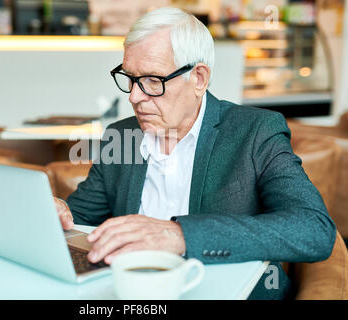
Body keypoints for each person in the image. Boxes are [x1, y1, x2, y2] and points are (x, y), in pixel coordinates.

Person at [54, 7, 336, 299]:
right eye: (130, 78)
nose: (134, 97)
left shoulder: (255, 132)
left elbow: (313, 229)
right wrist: (58, 213)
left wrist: (180, 235)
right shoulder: (121, 134)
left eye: (152, 80)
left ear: (199, 78)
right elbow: (80, 218)